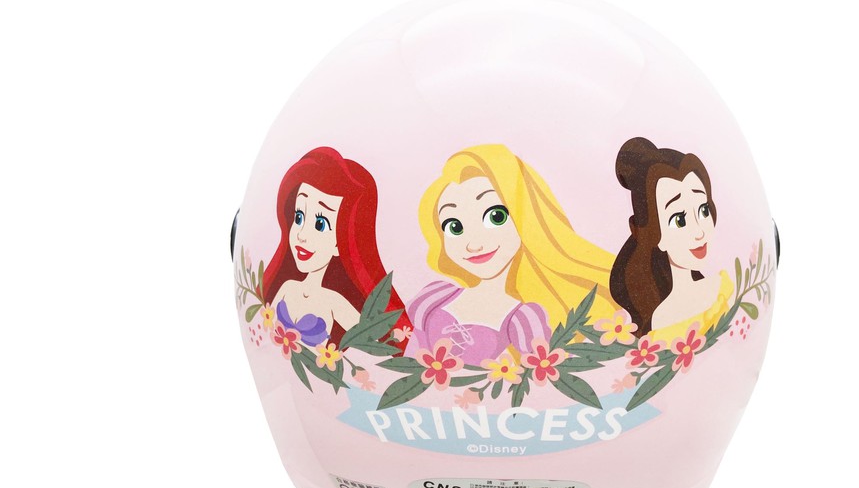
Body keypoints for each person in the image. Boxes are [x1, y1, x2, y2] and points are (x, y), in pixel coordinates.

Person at [407, 144, 616, 365]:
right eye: (454, 227)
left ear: (528, 217)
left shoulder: (524, 320)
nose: (473, 245)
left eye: (496, 217)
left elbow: (546, 377)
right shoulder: (434, 297)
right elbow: (404, 368)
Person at [263, 147, 409, 349]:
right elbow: (265, 330)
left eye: (320, 224)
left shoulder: (334, 303)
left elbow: (373, 346)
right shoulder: (288, 288)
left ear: (341, 242)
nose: (301, 235)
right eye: (299, 217)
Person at [610, 137, 733, 341]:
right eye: (679, 220)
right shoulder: (661, 321)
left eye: (703, 210)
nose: (699, 232)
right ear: (654, 235)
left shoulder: (723, 287)